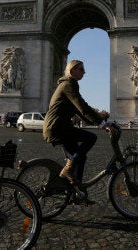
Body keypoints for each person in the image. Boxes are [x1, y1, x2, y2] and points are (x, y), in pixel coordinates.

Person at [43, 60, 116, 203]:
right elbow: (82, 107)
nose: (84, 72)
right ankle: (68, 171)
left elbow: (82, 109)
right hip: (57, 128)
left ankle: (78, 193)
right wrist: (102, 124)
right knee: (91, 138)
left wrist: (99, 122)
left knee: (80, 157)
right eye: (81, 69)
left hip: (62, 127)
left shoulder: (70, 85)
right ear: (72, 71)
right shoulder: (68, 85)